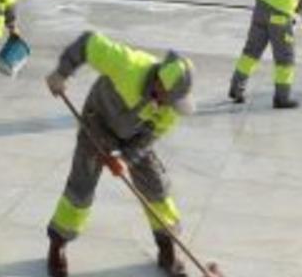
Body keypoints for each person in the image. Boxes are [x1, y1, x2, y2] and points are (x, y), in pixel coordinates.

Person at [44, 31, 195, 277]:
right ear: (159, 83)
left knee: (156, 187)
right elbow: (88, 42)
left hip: (135, 135)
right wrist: (61, 73)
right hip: (98, 122)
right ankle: (58, 244)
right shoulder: (128, 64)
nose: (172, 105)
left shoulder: (171, 109)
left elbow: (149, 138)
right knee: (80, 188)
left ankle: (167, 245)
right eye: (171, 98)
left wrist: (125, 160)